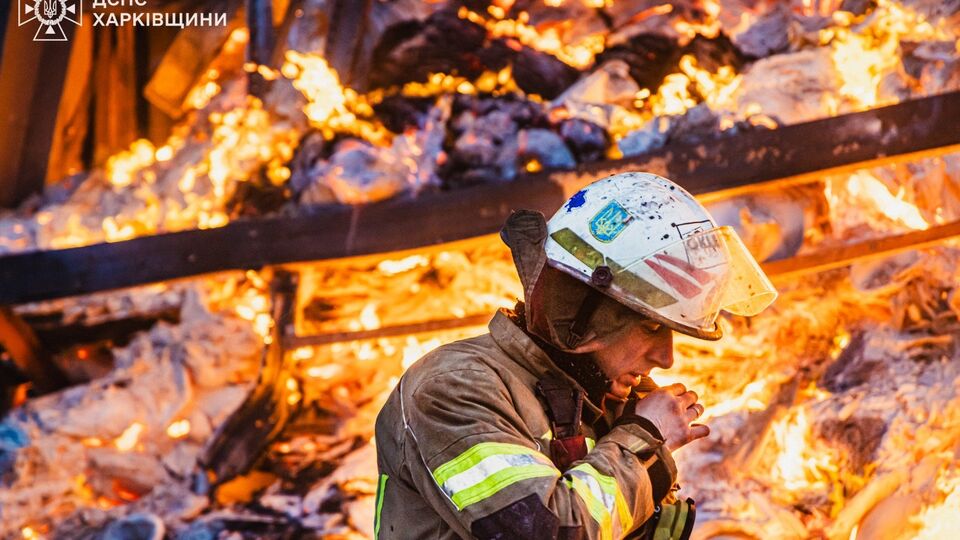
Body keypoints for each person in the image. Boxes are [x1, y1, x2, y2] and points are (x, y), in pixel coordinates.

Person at [373, 172, 777, 539]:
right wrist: (642, 440)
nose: (667, 357)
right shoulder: (453, 389)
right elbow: (547, 533)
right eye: (652, 327)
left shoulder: (593, 402)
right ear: (580, 312)